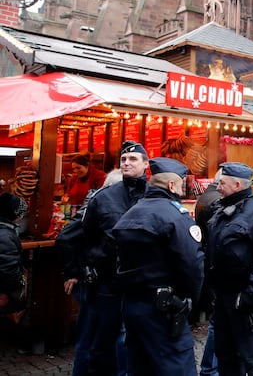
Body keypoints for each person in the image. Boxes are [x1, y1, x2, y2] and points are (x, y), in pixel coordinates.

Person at [112, 157, 205, 375]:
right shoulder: (176, 216)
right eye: (180, 185)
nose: (182, 190)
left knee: (140, 366)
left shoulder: (131, 213)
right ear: (171, 185)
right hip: (165, 308)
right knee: (176, 367)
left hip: (132, 305)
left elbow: (118, 258)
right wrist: (189, 301)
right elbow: (193, 265)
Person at [206, 162, 253, 376]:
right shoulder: (223, 209)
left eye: (222, 183)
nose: (218, 187)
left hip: (247, 301)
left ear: (237, 185)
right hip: (223, 298)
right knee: (226, 357)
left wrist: (249, 295)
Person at [81, 140, 149, 375]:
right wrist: (96, 261)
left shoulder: (155, 196)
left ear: (146, 164)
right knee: (104, 339)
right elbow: (87, 236)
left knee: (139, 338)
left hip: (143, 282)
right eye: (123, 159)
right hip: (108, 281)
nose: (127, 163)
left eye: (133, 159)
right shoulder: (104, 197)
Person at [57, 169, 122, 376]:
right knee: (89, 336)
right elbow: (65, 238)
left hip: (104, 283)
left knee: (101, 337)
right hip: (92, 282)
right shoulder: (96, 208)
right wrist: (74, 272)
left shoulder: (111, 208)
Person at [195, 170, 223, 376]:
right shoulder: (216, 200)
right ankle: (210, 367)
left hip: (208, 258)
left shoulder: (206, 196)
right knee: (219, 319)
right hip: (215, 262)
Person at [0, 192, 27, 315]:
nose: (22, 216)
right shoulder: (5, 235)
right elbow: (7, 269)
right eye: (21, 213)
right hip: (4, 292)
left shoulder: (5, 231)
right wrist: (18, 283)